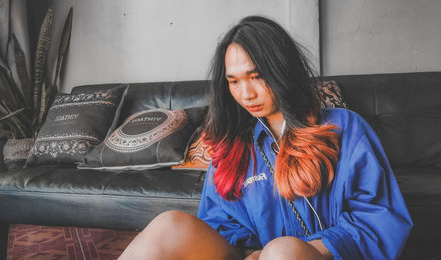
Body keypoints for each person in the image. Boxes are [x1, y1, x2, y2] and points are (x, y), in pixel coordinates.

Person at [119, 16, 412, 260]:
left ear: (280, 70)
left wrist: (300, 250)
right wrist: (252, 252)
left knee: (282, 253)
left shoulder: (343, 128)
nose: (245, 94)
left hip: (321, 256)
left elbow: (377, 219)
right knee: (167, 225)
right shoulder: (234, 143)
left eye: (256, 76)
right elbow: (220, 220)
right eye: (234, 81)